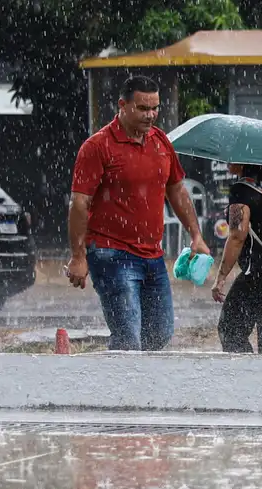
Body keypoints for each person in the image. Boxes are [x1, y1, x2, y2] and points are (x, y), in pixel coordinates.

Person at [67, 75, 211, 351]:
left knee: (159, 334)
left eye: (155, 107)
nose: (151, 115)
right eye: (143, 108)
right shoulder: (97, 147)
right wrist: (78, 257)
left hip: (152, 255)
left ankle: (141, 388)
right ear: (123, 105)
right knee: (128, 339)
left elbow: (178, 190)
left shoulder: (160, 142)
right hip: (110, 253)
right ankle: (118, 390)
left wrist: (196, 235)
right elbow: (79, 204)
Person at [211, 164, 262, 354]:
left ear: (243, 163)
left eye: (232, 158)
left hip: (258, 274)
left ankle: (246, 380)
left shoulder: (241, 191)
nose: (227, 162)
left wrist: (221, 277)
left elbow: (236, 236)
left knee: (231, 330)